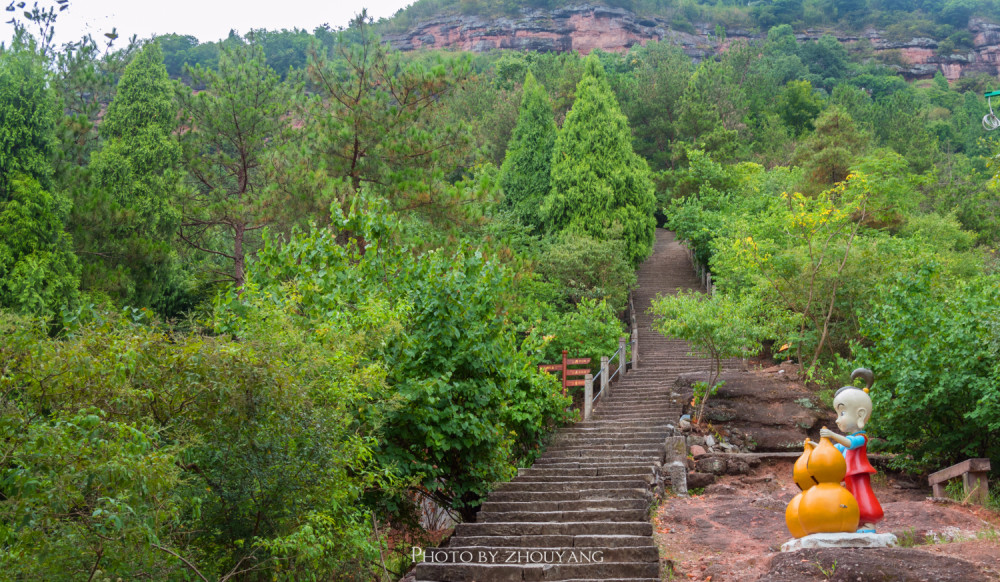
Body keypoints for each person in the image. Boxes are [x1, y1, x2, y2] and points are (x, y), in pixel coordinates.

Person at [820, 368, 883, 533]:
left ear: (860, 414)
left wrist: (832, 434)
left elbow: (849, 443)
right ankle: (852, 523)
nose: (837, 419)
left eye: (842, 413)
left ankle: (869, 524)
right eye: (837, 413)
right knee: (849, 500)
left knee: (862, 497)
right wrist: (816, 446)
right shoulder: (845, 443)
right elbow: (834, 449)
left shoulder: (861, 437)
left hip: (857, 474)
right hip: (847, 476)